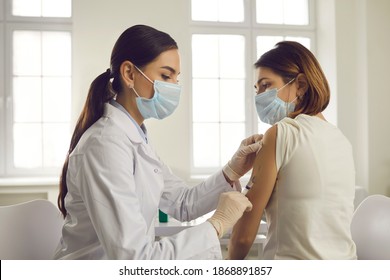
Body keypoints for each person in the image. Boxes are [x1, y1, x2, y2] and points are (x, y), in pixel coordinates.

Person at [54, 24, 261, 260]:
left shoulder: (135, 136)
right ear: (130, 74)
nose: (174, 86)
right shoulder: (105, 145)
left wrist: (231, 171)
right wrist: (216, 225)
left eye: (176, 77)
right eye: (165, 75)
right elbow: (133, 259)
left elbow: (183, 203)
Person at [228, 41, 357, 260]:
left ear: (301, 85)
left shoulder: (281, 134)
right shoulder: (341, 139)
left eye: (266, 85)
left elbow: (242, 237)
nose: (259, 96)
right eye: (256, 88)